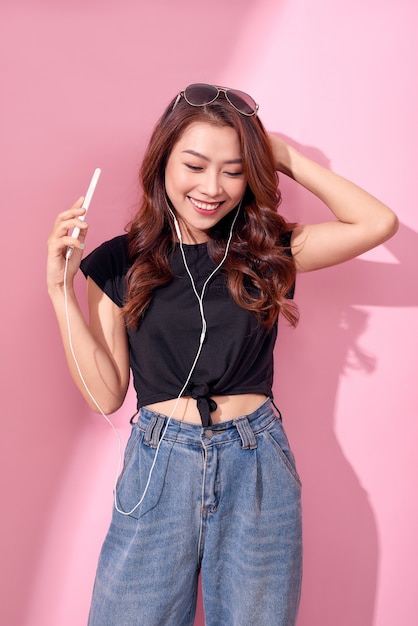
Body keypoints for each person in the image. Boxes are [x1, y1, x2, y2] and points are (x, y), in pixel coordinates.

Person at [47, 83, 398, 626]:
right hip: (158, 463)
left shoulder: (266, 249)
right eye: (194, 165)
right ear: (163, 160)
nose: (212, 187)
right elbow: (106, 394)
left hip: (255, 460)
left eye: (234, 170)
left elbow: (377, 224)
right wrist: (59, 289)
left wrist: (286, 157)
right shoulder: (120, 262)